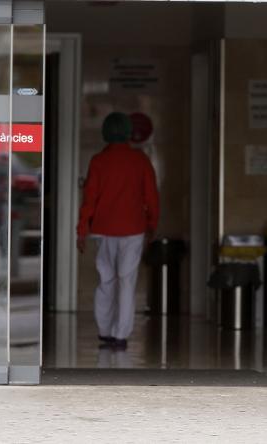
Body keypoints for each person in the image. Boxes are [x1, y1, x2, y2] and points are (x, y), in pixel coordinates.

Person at [77, 112, 160, 351]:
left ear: (105, 133)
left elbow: (89, 201)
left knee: (106, 280)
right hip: (133, 229)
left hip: (103, 230)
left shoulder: (98, 162)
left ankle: (104, 331)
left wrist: (82, 230)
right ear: (128, 133)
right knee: (126, 281)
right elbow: (152, 198)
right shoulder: (140, 161)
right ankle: (120, 335)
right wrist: (152, 225)